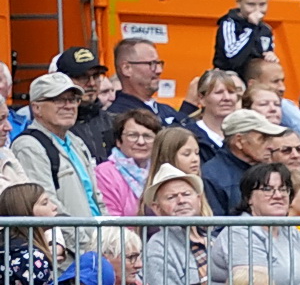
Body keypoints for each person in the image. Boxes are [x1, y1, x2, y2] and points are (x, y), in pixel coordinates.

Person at [14, 73, 103, 217]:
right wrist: (80, 238)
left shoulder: (76, 142)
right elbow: (47, 205)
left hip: (98, 236)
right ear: (36, 108)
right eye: (59, 100)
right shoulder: (29, 147)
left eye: (73, 99)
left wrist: (109, 230)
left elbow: (97, 198)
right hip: (73, 238)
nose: (69, 106)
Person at [202, 108, 286, 216]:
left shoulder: (268, 169)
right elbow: (214, 229)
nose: (270, 146)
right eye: (263, 139)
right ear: (239, 141)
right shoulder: (212, 176)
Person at [95, 109, 161, 216]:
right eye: (133, 135)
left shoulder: (161, 170)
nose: (141, 142)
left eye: (147, 136)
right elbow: (111, 218)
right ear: (118, 141)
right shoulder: (104, 173)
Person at [109, 38, 181, 127]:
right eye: (151, 64)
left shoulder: (166, 110)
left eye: (159, 63)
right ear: (126, 69)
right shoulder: (116, 117)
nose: (159, 70)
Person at [213, 0, 275, 73]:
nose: (257, 10)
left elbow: (265, 53)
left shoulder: (265, 30)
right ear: (238, 2)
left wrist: (269, 57)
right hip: (227, 76)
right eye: (251, 4)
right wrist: (251, 28)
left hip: (253, 79)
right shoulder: (229, 24)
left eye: (262, 4)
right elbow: (233, 59)